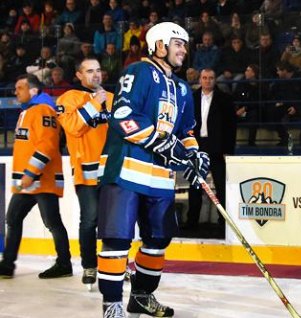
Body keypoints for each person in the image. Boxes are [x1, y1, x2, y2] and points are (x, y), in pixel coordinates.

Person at [96, 22, 210, 317]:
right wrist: (162, 143)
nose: (184, 50)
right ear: (159, 45)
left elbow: (186, 130)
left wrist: (195, 155)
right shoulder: (138, 71)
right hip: (126, 171)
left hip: (160, 177)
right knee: (118, 239)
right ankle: (112, 305)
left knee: (158, 239)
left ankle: (142, 296)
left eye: (185, 44)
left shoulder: (183, 88)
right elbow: (123, 117)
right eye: (178, 43)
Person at [0, 74, 71, 280]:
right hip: (30, 183)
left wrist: (30, 173)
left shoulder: (42, 111)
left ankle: (64, 264)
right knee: (13, 219)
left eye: (20, 88)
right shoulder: (30, 111)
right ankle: (7, 265)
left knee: (52, 223)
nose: (16, 92)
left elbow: (47, 146)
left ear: (33, 91)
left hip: (41, 181)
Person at [56, 57, 113, 289]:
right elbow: (73, 128)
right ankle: (90, 265)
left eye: (98, 70)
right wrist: (93, 104)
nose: (96, 75)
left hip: (112, 172)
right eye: (89, 71)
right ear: (79, 75)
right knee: (89, 221)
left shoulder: (112, 98)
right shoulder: (67, 98)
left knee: (114, 223)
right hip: (85, 173)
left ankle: (115, 265)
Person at [185, 68, 236, 237]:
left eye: (211, 78)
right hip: (197, 146)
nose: (207, 81)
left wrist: (228, 150)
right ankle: (191, 221)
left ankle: (224, 222)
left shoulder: (225, 100)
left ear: (215, 80)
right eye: (205, 78)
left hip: (218, 148)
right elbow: (186, 124)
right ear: (200, 79)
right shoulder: (191, 99)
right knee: (195, 186)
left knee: (221, 186)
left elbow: (231, 127)